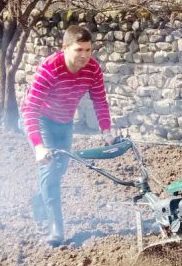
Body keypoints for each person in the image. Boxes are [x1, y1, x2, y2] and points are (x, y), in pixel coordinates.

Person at [21, 25, 115, 246]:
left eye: (88, 50)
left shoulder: (93, 69)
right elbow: (30, 109)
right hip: (42, 119)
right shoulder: (50, 68)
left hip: (64, 122)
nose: (84, 55)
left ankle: (40, 198)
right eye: (78, 50)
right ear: (64, 48)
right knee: (50, 169)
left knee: (61, 169)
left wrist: (106, 131)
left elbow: (99, 101)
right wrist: (38, 147)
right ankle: (56, 229)